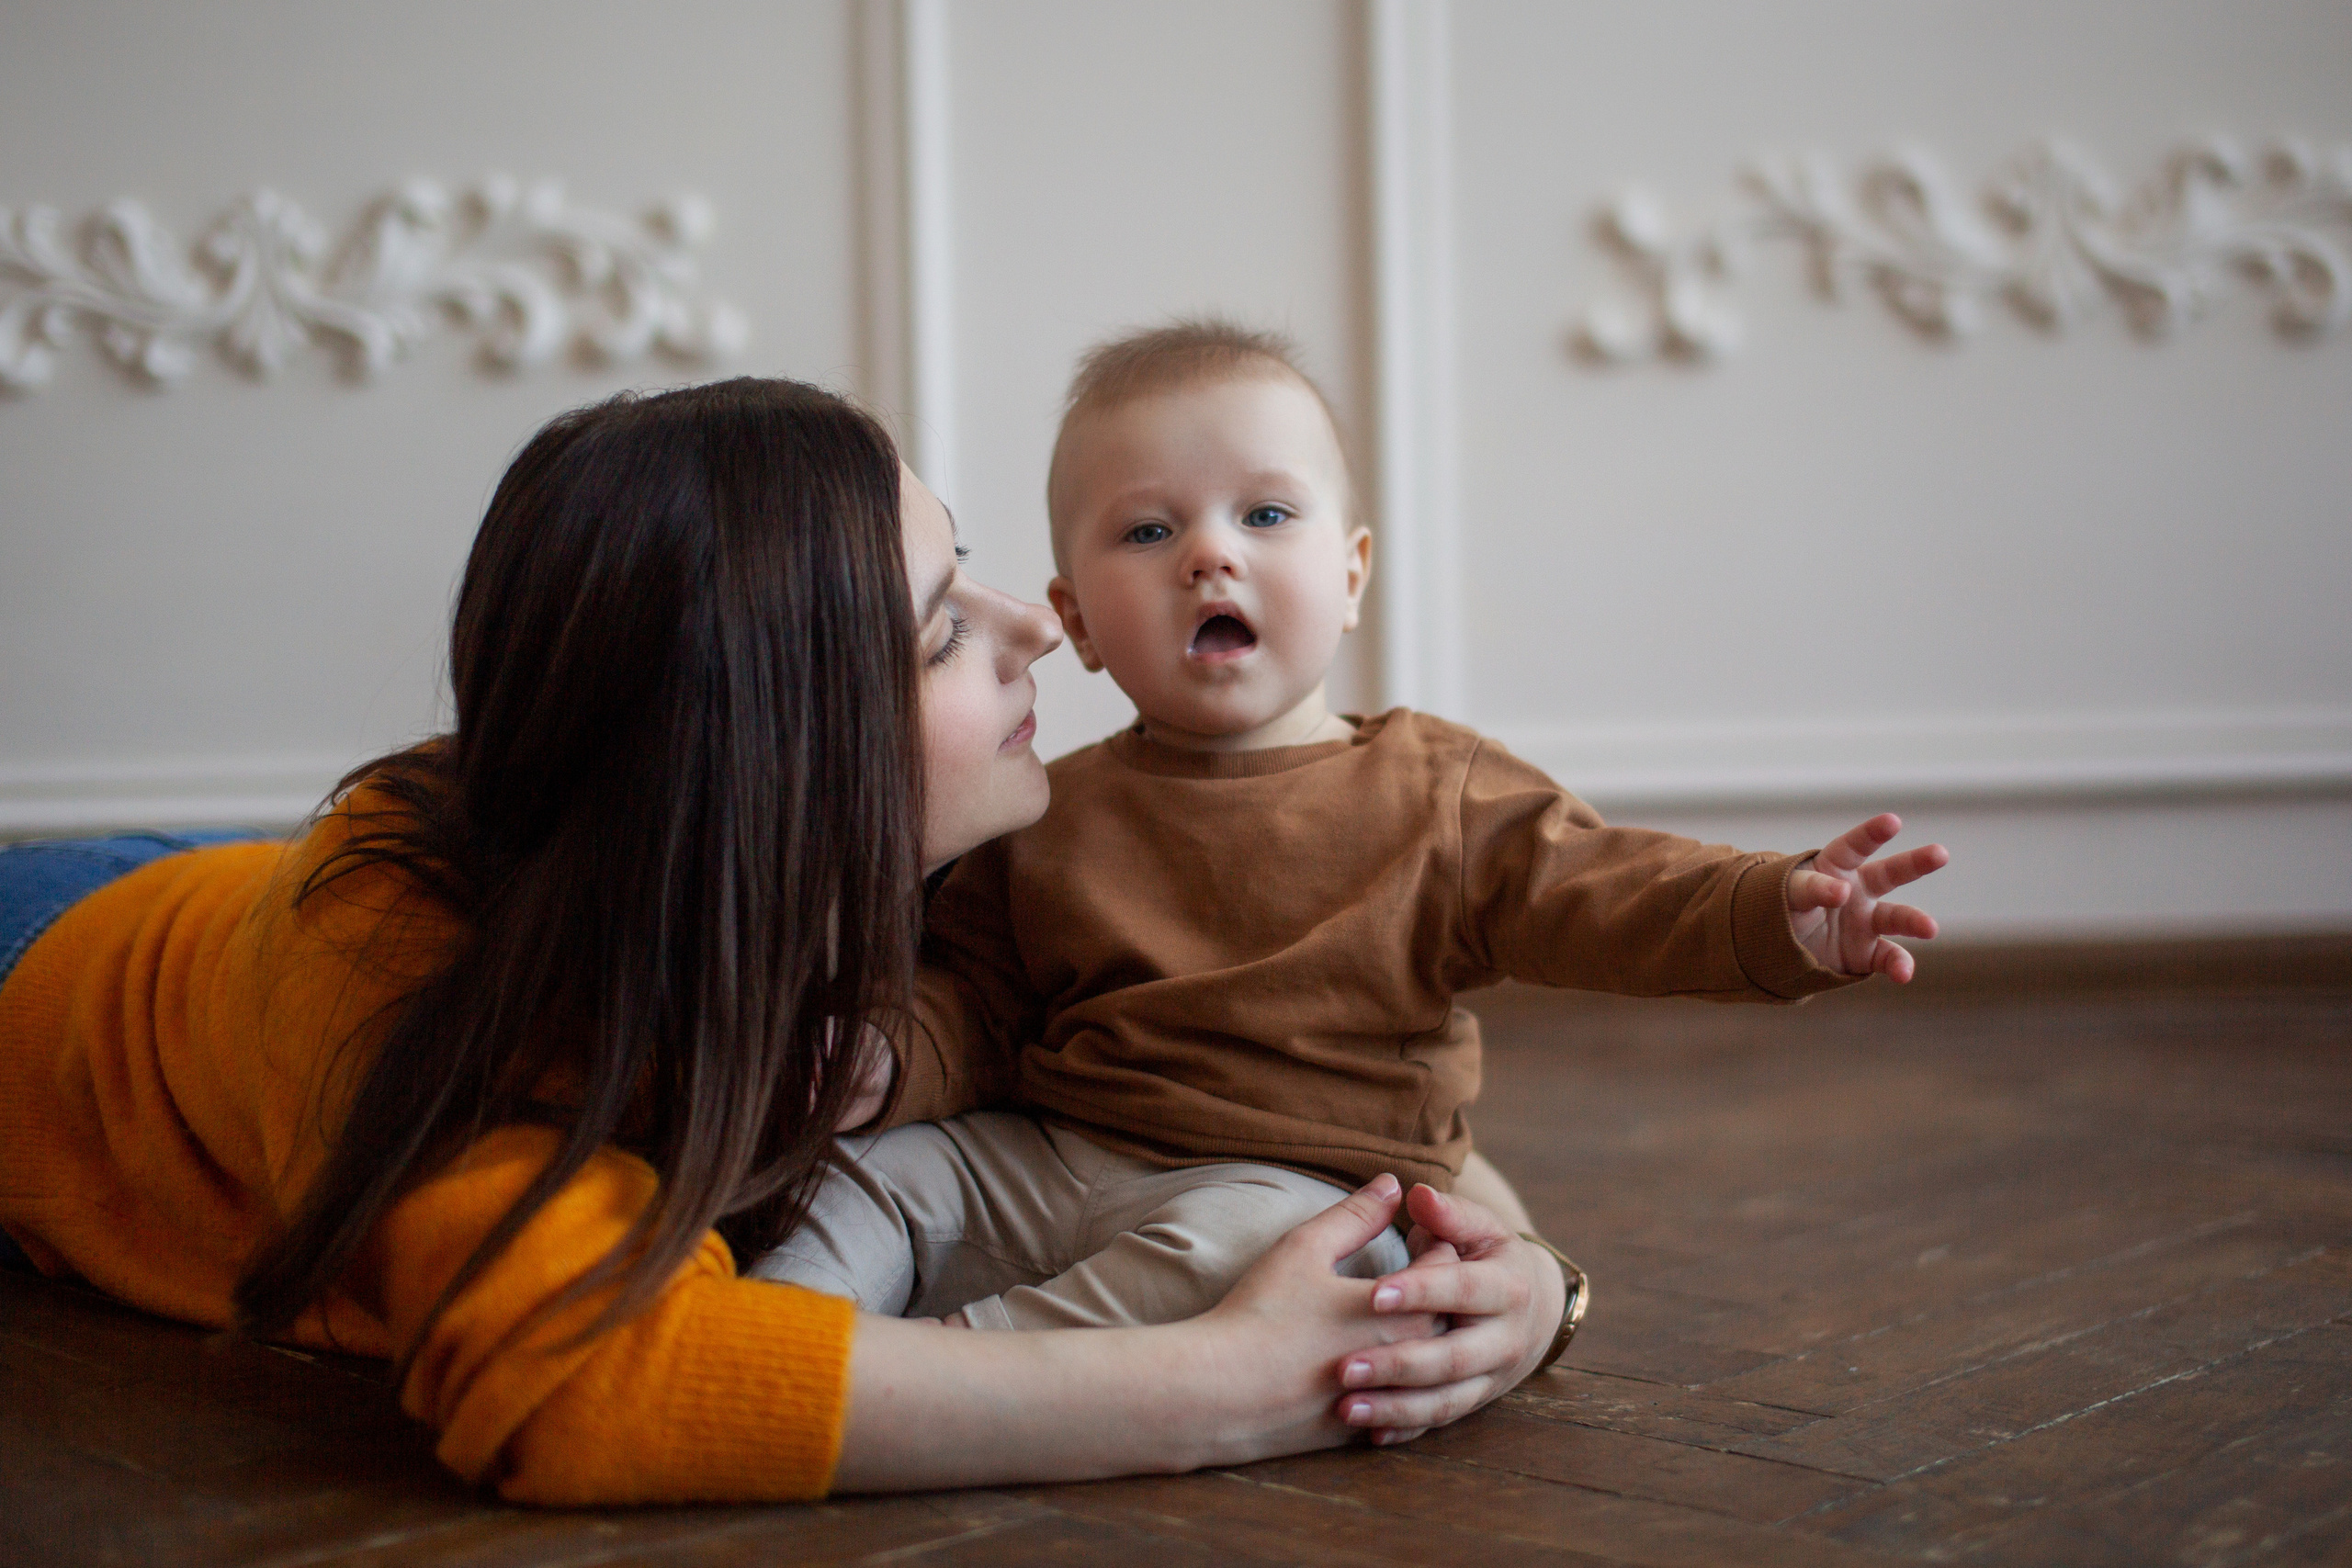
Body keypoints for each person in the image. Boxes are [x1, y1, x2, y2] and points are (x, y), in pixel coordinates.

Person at [0, 378, 1565, 1506]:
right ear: (777, 746)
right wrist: (1237, 1383)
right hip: (52, 983)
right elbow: (571, 1386)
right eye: (945, 622)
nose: (1036, 624)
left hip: (208, 890)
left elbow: (1284, 1075)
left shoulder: (898, 859)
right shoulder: (417, 985)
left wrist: (1527, 1284)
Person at [757, 322, 1951, 1335]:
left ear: (1352, 575)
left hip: (1291, 1181)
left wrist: (1775, 912)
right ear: (1074, 618)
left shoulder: (1433, 793)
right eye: (1148, 533)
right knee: (870, 1177)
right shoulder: (1047, 810)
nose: (1212, 553)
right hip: (1048, 1150)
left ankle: (973, 1365)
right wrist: (886, 1060)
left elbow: (1609, 889)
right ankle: (781, 1331)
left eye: (1265, 514)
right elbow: (973, 996)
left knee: (1267, 1255)